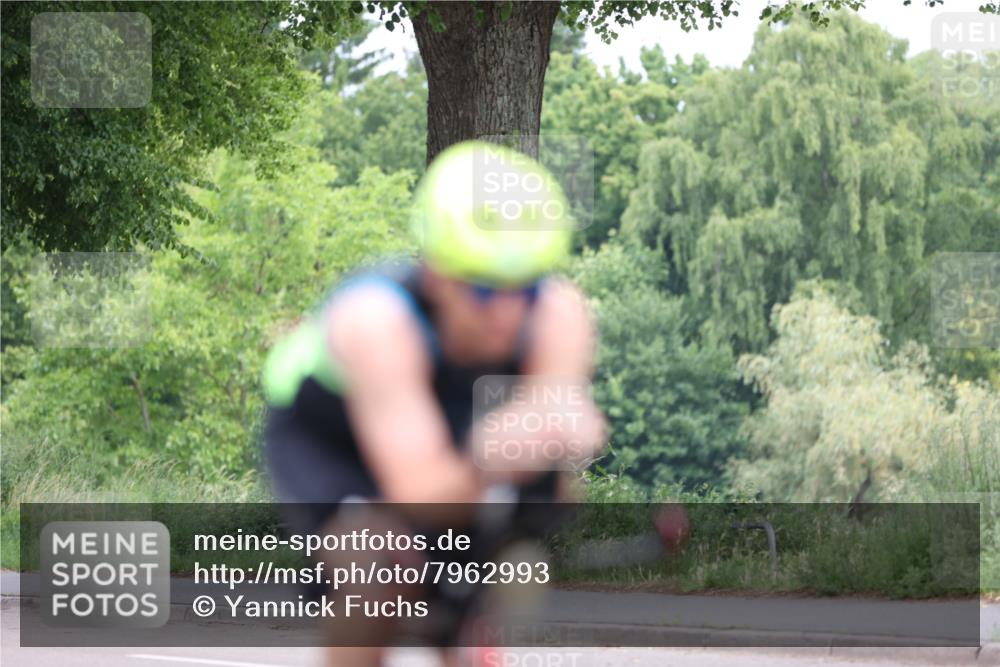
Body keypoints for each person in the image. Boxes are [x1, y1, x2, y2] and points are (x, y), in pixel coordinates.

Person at [261, 140, 606, 667]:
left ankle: (460, 628)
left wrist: (562, 438)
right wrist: (493, 458)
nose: (507, 313)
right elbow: (420, 490)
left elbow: (557, 461)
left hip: (443, 427)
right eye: (484, 290)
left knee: (491, 558)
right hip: (333, 433)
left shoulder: (558, 312)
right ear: (438, 275)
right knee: (377, 559)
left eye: (526, 288)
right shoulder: (377, 323)